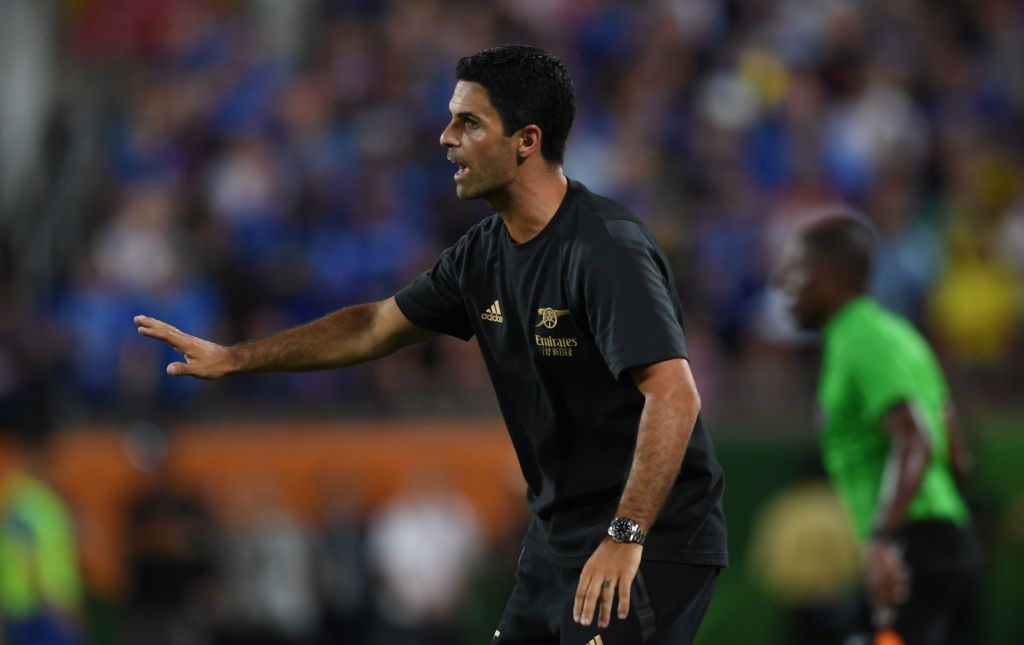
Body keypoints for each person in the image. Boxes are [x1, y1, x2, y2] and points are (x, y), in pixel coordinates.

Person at [135, 44, 727, 645]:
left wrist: (625, 537)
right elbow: (372, 327)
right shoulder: (480, 255)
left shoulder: (604, 248)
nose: (446, 138)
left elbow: (674, 396)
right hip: (559, 538)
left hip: (649, 537)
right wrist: (236, 357)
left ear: (526, 140)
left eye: (468, 122)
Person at [777, 212, 978, 644]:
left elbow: (915, 437)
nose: (782, 283)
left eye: (795, 269)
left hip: (909, 545)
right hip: (940, 539)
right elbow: (958, 456)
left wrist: (886, 539)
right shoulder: (902, 336)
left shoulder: (857, 337)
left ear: (831, 275)